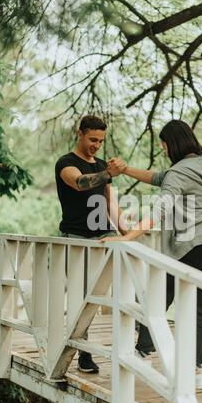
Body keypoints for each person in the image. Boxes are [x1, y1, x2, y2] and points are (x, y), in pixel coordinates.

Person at [103, 119, 202, 389]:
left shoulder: (178, 173)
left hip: (196, 243)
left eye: (163, 145)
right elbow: (158, 177)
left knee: (158, 292)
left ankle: (142, 353)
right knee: (200, 306)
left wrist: (127, 236)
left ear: (170, 143)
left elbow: (160, 209)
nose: (163, 150)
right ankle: (197, 371)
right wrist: (125, 170)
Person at [55, 115, 126, 373]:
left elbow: (110, 203)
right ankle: (84, 354)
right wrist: (107, 173)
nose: (97, 145)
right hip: (75, 239)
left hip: (103, 237)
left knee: (113, 291)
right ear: (80, 133)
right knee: (80, 298)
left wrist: (128, 232)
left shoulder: (100, 165)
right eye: (93, 139)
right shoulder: (66, 163)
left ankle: (136, 345)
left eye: (101, 141)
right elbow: (79, 183)